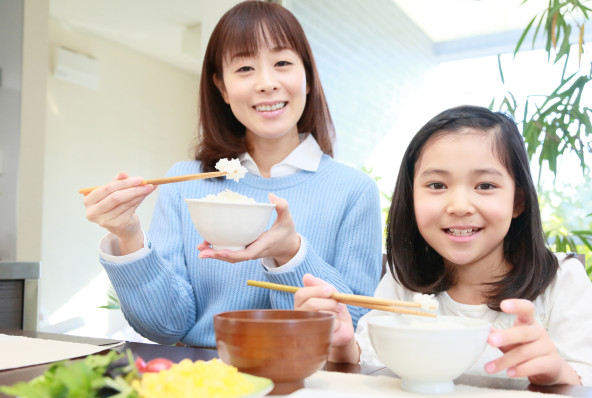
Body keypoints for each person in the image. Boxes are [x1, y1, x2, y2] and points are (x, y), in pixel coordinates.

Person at [83, 1, 382, 347]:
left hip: (307, 383)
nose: (267, 83)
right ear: (222, 88)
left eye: (282, 63)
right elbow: (167, 326)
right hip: (204, 379)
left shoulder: (353, 190)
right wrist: (129, 236)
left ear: (308, 77)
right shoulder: (185, 184)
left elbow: (355, 322)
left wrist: (291, 253)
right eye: (244, 68)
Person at [295, 105, 592, 387]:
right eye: (437, 185)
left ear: (517, 200)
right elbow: (370, 363)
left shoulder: (561, 279)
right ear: (412, 197)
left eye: (485, 185)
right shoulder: (403, 280)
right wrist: (341, 344)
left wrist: (557, 372)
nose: (459, 205)